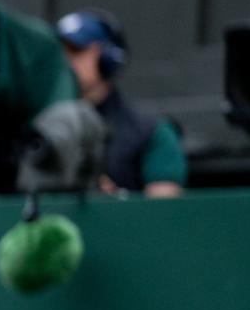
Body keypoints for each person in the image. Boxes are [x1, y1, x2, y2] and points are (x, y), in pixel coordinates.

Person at [56, 10, 185, 197]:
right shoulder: (33, 128)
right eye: (59, 53)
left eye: (76, 51)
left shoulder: (151, 132)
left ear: (107, 57)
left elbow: (163, 215)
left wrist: (116, 205)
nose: (66, 62)